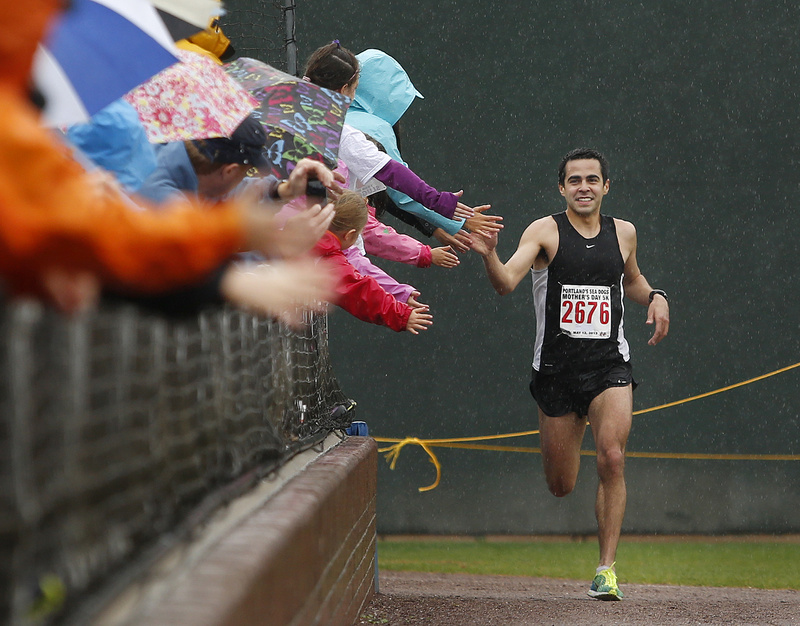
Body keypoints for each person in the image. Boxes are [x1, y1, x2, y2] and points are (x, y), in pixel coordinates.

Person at [0, 0, 335, 317]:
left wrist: (278, 194)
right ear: (230, 168)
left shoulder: (158, 157)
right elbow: (114, 241)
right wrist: (235, 263)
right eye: (246, 169)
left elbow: (90, 233)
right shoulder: (152, 175)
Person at [470, 148, 670, 600]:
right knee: (561, 486)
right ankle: (571, 435)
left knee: (613, 458)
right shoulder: (544, 231)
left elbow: (632, 280)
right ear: (562, 188)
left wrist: (656, 295)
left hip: (609, 368)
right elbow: (506, 283)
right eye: (574, 180)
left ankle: (606, 569)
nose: (584, 187)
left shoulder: (624, 233)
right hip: (556, 373)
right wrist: (488, 255)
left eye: (592, 180)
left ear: (605, 187)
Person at [302, 41, 502, 249]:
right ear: (345, 89)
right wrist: (453, 214)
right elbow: (396, 184)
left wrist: (433, 227)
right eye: (356, 84)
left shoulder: (283, 112)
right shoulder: (355, 131)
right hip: (321, 246)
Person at [314, 191, 433, 334]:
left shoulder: (299, 222)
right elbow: (358, 289)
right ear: (350, 235)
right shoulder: (328, 257)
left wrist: (400, 294)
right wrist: (400, 314)